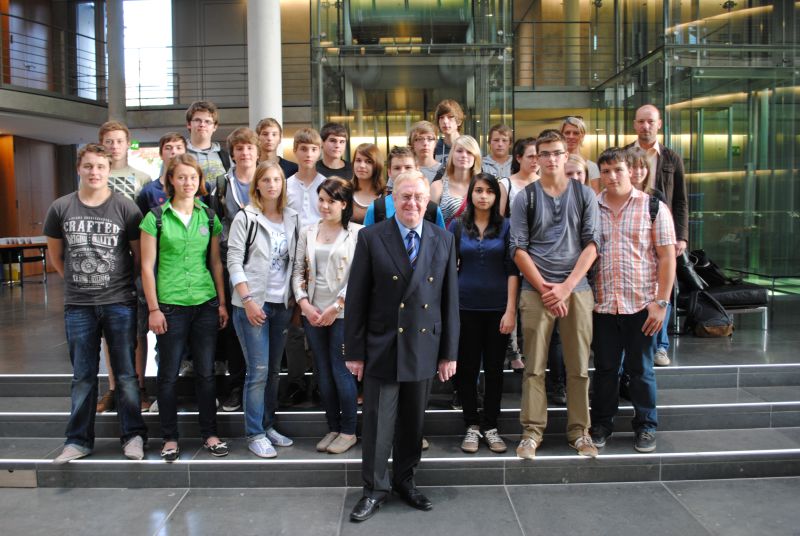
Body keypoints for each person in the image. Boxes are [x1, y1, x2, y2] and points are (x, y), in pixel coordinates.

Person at [345, 170, 459, 522]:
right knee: (379, 425)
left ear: (428, 202)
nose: (412, 203)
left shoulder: (443, 238)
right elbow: (357, 298)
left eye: (419, 198)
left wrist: (449, 352)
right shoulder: (371, 237)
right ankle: (374, 489)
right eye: (405, 196)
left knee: (413, 423)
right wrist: (355, 352)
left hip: (425, 344)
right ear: (393, 198)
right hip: (383, 343)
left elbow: (449, 299)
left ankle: (405, 482)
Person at [44, 144, 147, 463]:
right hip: (79, 305)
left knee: (127, 374)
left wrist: (118, 285)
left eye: (100, 167)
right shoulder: (61, 208)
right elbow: (56, 256)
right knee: (83, 375)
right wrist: (77, 281)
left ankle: (133, 436)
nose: (94, 172)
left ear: (109, 169)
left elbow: (137, 254)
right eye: (88, 166)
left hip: (119, 302)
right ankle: (78, 440)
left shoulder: (126, 208)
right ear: (79, 168)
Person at [509, 129, 600, 459]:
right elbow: (517, 248)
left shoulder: (585, 194)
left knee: (577, 367)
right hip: (536, 291)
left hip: (577, 290)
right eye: (542, 153)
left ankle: (580, 432)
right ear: (535, 158)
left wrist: (564, 287)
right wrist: (547, 287)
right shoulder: (526, 198)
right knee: (533, 367)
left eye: (556, 152)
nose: (549, 159)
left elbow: (592, 245)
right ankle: (531, 432)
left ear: (567, 155)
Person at [140, 153, 229, 462]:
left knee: (205, 372)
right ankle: (169, 438)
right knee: (168, 375)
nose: (188, 182)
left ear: (199, 181)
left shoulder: (208, 217)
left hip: (204, 303)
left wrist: (221, 302)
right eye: (181, 177)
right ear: (171, 181)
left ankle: (210, 434)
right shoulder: (156, 218)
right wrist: (153, 309)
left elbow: (216, 263)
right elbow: (147, 267)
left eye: (193, 177)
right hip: (170, 306)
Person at [590, 148, 676, 453]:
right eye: (606, 171)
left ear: (631, 171)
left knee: (641, 370)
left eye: (618, 170)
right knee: (605, 370)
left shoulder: (653, 207)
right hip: (601, 305)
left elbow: (666, 258)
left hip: (641, 305)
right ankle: (601, 424)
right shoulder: (592, 207)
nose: (612, 177)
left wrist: (661, 302)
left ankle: (646, 426)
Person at [228, 161, 300, 458]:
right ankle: (254, 433)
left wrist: (295, 300)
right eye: (266, 180)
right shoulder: (246, 217)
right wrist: (248, 301)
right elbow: (233, 260)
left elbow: (296, 262)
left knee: (272, 371)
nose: (272, 184)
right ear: (256, 185)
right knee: (257, 371)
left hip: (280, 305)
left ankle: (268, 425)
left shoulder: (292, 218)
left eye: (277, 179)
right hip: (251, 305)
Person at [449, 174, 518, 454]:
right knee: (466, 370)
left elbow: (513, 270)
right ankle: (472, 425)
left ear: (496, 196)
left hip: (497, 309)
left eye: (489, 191)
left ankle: (490, 426)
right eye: (478, 190)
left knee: (494, 371)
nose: (484, 196)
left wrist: (511, 310)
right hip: (464, 308)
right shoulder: (456, 226)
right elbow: (448, 268)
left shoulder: (506, 227)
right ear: (470, 193)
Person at [292, 177, 362, 454]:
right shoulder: (308, 231)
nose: (324, 205)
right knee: (321, 372)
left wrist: (337, 306)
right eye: (321, 199)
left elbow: (359, 276)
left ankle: (348, 431)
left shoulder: (357, 233)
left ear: (343, 204)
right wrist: (304, 304)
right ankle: (332, 427)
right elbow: (298, 271)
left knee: (342, 371)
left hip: (343, 314)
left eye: (330, 201)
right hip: (313, 313)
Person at [96, 121, 152, 414]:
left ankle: (140, 387)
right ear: (102, 144)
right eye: (109, 141)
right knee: (109, 330)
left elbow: (146, 221)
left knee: (138, 328)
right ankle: (114, 388)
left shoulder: (141, 178)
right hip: (105, 262)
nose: (114, 146)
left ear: (127, 144)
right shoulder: (95, 176)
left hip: (134, 259)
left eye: (119, 141)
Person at [210, 127, 261, 412]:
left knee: (260, 320)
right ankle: (237, 384)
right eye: (239, 149)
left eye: (249, 148)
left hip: (262, 261)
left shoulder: (268, 180)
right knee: (234, 324)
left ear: (257, 151)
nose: (244, 153)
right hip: (232, 259)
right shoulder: (221, 184)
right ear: (232, 153)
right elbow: (216, 226)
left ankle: (260, 387)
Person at [281, 127, 327, 407]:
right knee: (294, 323)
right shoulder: (286, 185)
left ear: (319, 152)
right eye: (303, 149)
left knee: (319, 320)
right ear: (295, 151)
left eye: (313, 149)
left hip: (321, 259)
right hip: (291, 258)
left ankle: (321, 381)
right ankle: (296, 380)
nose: (308, 154)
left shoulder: (327, 183)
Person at [627, 147, 671, 366]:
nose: (637, 171)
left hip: (651, 265)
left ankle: (661, 347)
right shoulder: (604, 200)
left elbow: (665, 243)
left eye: (641, 166)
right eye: (632, 166)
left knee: (662, 298)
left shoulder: (655, 199)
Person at [625, 104, 688, 257]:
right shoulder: (622, 155)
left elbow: (681, 200)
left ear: (659, 124)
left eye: (650, 121)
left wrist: (681, 237)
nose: (645, 126)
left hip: (663, 229)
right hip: (629, 228)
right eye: (641, 122)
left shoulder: (672, 158)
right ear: (635, 125)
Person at [363, 146, 445, 228]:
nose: (402, 172)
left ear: (417, 169)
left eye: (408, 167)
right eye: (397, 168)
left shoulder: (433, 210)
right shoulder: (376, 209)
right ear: (389, 172)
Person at [431, 135, 505, 226]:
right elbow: (430, 224)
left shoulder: (485, 188)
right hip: (446, 239)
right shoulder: (437, 186)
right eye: (459, 151)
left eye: (469, 152)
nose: (464, 155)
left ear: (475, 157)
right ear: (452, 154)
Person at [136, 133, 187, 216]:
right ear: (160, 154)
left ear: (186, 153)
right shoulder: (149, 191)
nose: (174, 152)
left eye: (179, 148)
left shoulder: (199, 187)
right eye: (168, 148)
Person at [185, 100, 232, 179]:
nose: (202, 124)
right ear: (189, 124)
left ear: (215, 127)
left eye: (207, 121)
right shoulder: (179, 154)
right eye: (197, 120)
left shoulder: (225, 156)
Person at [560, 116, 601, 193]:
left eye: (576, 133)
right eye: (567, 133)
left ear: (582, 136)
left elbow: (595, 197)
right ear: (561, 135)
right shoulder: (555, 164)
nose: (571, 136)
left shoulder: (592, 167)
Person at [350, 143, 385, 224]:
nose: (362, 165)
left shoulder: (386, 195)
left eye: (368, 161)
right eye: (358, 160)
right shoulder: (344, 192)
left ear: (377, 165)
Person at [433, 99, 465, 164]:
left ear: (459, 121)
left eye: (450, 117)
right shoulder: (434, 147)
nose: (445, 121)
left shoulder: (469, 146)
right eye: (441, 117)